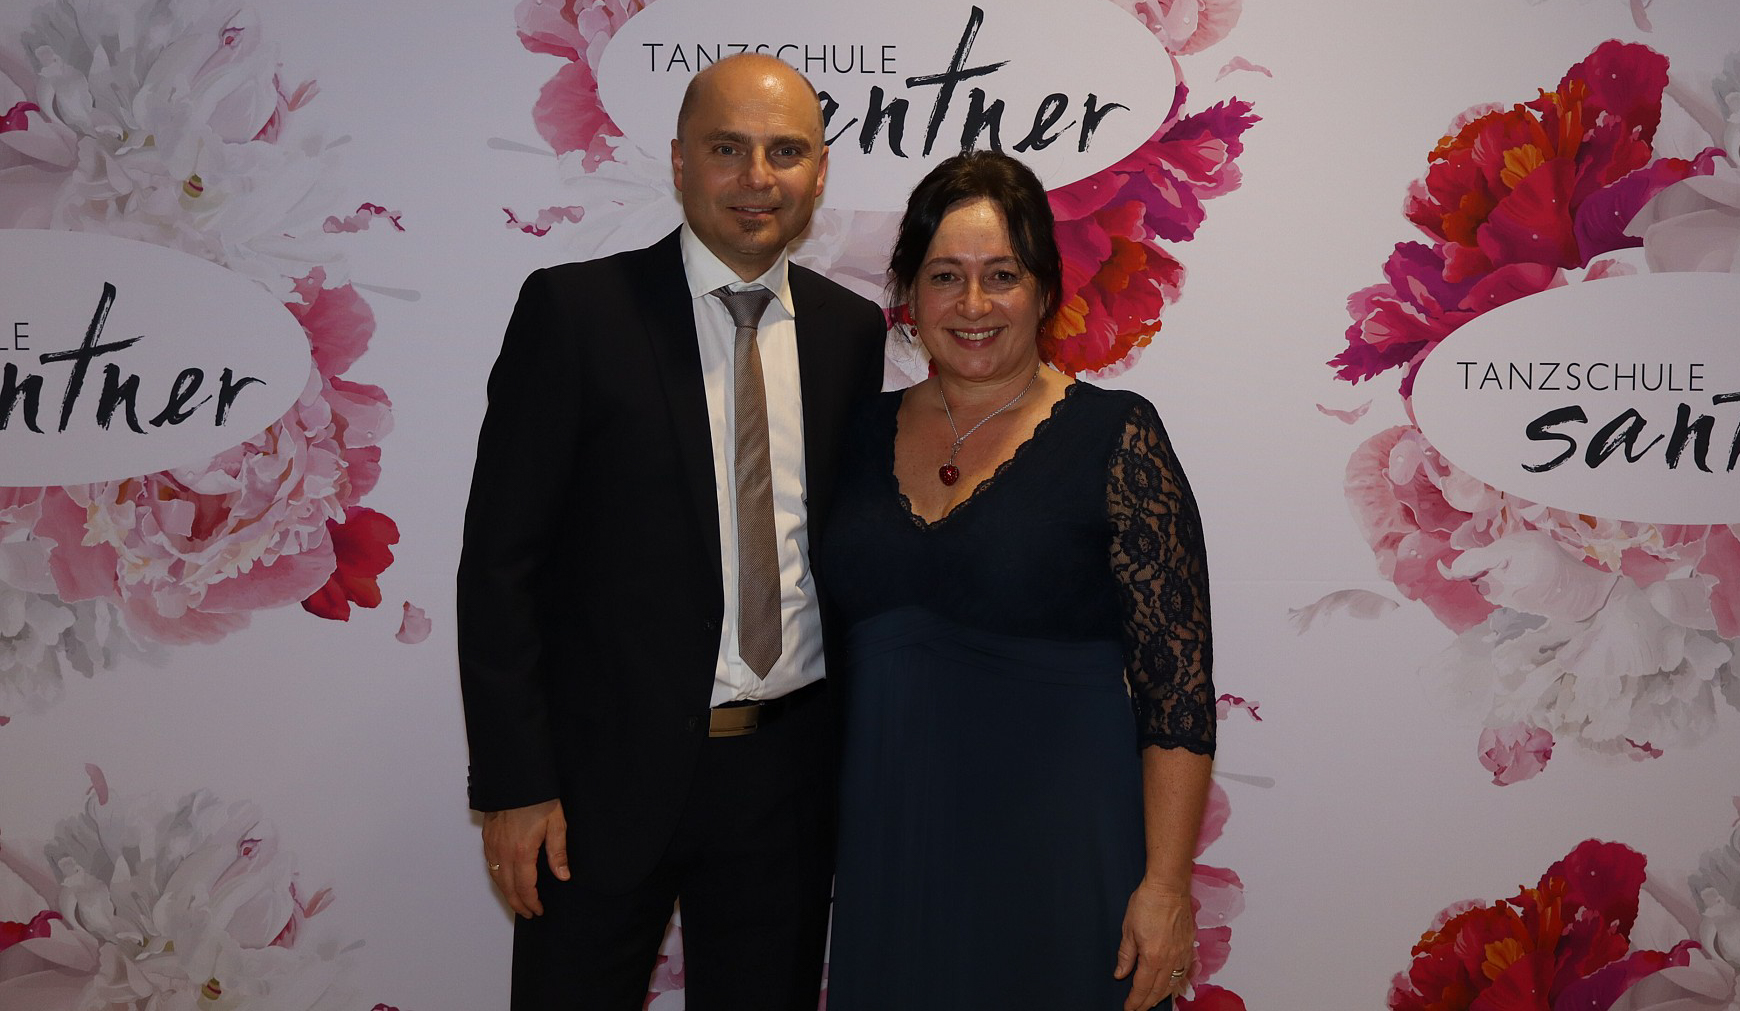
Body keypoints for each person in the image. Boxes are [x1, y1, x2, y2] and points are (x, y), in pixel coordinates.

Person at [456, 52, 887, 1009]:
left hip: (785, 778)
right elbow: (499, 566)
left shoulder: (850, 332)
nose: (757, 176)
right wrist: (516, 784)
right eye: (727, 148)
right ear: (680, 161)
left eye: (786, 151)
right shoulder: (575, 313)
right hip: (597, 784)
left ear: (820, 172)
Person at [819, 150, 1217, 1011]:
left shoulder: (1118, 437)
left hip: (1064, 859)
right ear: (909, 294)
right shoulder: (851, 434)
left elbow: (1177, 695)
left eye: (1001, 275)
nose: (973, 305)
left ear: (1044, 290)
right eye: (944, 276)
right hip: (895, 857)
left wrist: (1164, 888)